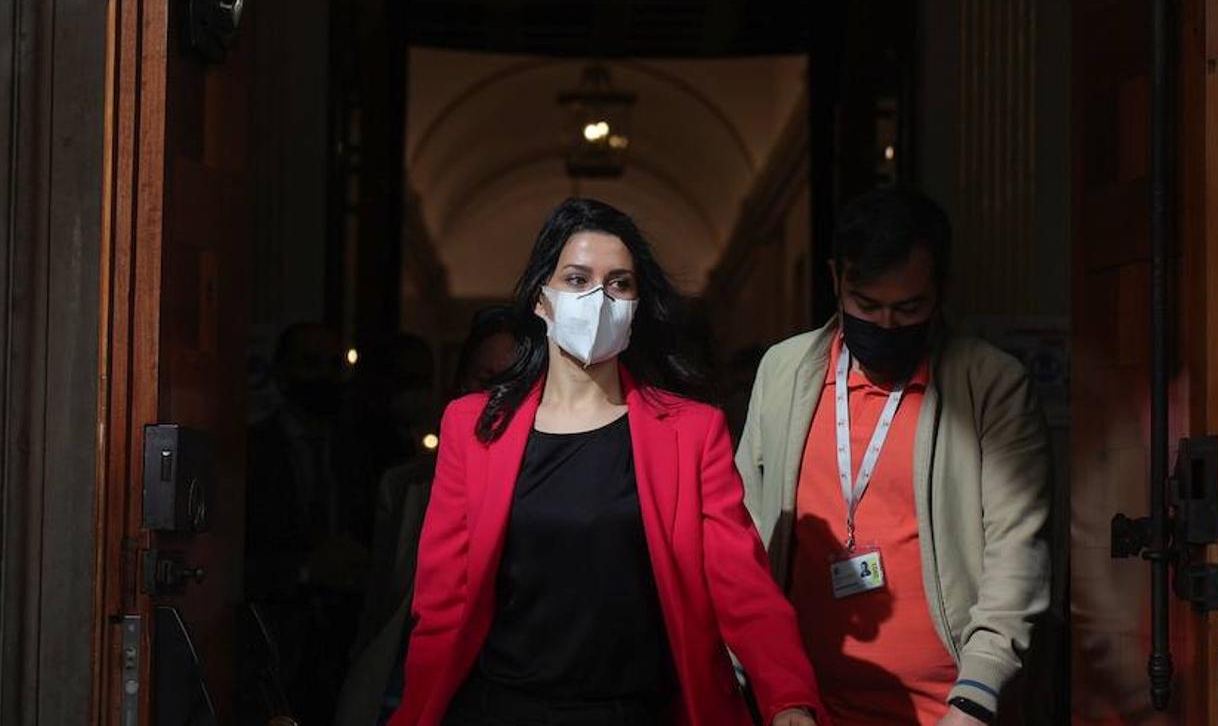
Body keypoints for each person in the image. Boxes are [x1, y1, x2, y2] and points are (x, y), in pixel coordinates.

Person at [388, 198, 825, 726]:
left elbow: (741, 584)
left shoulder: (691, 431)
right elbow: (442, 599)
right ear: (540, 300)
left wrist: (789, 699)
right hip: (502, 710)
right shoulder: (474, 426)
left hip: (639, 711)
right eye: (576, 279)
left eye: (619, 283)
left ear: (638, 305)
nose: (599, 297)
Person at [736, 186, 1051, 726]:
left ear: (941, 291)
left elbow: (1016, 548)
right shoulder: (783, 372)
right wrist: (774, 688)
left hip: (951, 710)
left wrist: (976, 695)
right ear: (836, 280)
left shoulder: (991, 386)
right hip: (806, 707)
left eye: (908, 308)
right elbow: (743, 535)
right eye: (867, 305)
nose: (885, 325)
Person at [334, 314, 519, 726]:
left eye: (515, 386)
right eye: (484, 381)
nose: (497, 401)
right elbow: (381, 610)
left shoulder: (565, 494)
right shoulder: (405, 487)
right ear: (458, 386)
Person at [246, 322, 371, 726]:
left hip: (347, 647)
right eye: (310, 363)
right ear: (281, 372)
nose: (323, 377)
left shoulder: (359, 451)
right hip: (274, 644)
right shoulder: (251, 452)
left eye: (334, 365)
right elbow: (232, 560)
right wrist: (304, 570)